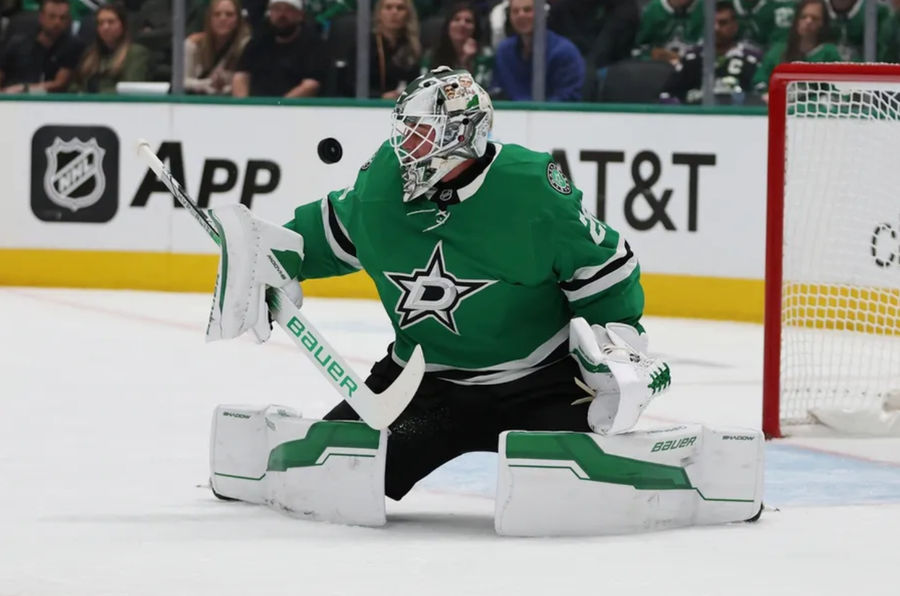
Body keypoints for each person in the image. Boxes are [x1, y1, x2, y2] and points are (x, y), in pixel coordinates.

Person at [204, 67, 671, 502]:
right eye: (407, 129)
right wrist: (273, 261)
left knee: (576, 495)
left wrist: (618, 341)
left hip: (540, 385)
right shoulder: (383, 179)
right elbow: (328, 236)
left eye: (423, 132)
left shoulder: (531, 191)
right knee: (329, 484)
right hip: (420, 388)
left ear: (463, 134)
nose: (408, 144)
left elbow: (605, 268)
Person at [660, 1, 760, 104]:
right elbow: (667, 95)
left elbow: (760, 97)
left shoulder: (750, 61)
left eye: (722, 23)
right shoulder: (691, 59)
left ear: (735, 26)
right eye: (711, 23)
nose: (715, 28)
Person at [492, 0, 585, 100]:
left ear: (542, 13)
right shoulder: (504, 52)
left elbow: (568, 98)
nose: (521, 15)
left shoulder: (565, 52)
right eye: (515, 11)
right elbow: (496, 90)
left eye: (527, 10)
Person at [232, 0, 325, 97]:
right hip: (256, 107)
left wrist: (279, 106)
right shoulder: (258, 41)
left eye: (288, 10)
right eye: (277, 9)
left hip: (294, 108)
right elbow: (241, 76)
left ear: (300, 15)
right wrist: (244, 105)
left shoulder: (312, 44)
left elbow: (310, 85)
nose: (282, 15)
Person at [753, 0, 842, 98]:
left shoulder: (829, 53)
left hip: (815, 110)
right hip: (780, 108)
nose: (808, 21)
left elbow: (837, 88)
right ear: (796, 20)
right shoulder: (778, 50)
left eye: (815, 18)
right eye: (803, 17)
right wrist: (766, 95)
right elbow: (759, 80)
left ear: (822, 23)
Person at [0, 0, 84, 93]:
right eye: (52, 16)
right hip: (11, 99)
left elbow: (59, 84)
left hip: (49, 101)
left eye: (62, 18)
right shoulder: (17, 43)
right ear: (41, 17)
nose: (57, 22)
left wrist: (25, 89)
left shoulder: (73, 46)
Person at [71, 3, 150, 93]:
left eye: (111, 22)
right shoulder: (90, 54)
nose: (105, 27)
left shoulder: (136, 53)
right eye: (100, 23)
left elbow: (130, 88)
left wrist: (94, 96)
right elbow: (75, 85)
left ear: (122, 25)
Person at [420, 1, 493, 88]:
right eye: (456, 19)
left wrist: (465, 62)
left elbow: (480, 91)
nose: (462, 24)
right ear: (448, 25)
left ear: (475, 28)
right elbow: (424, 87)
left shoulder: (485, 55)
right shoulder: (431, 54)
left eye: (468, 21)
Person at [184, 0, 250, 95]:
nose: (222, 18)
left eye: (229, 14)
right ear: (209, 18)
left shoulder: (247, 46)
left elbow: (251, 83)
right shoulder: (193, 45)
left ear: (238, 19)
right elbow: (182, 81)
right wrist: (208, 84)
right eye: (216, 14)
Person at [632, 0, 704, 63]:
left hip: (693, 69)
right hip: (658, 69)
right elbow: (638, 49)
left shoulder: (704, 7)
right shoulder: (653, 9)